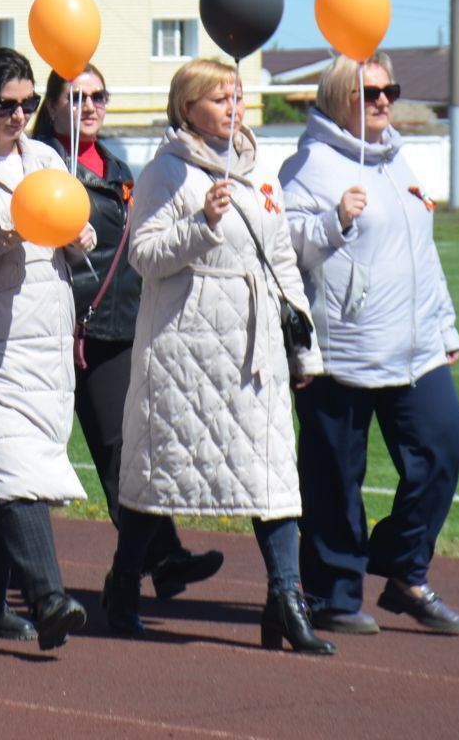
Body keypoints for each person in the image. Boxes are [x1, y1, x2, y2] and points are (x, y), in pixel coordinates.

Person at [103, 59, 332, 655]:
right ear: (188, 109)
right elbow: (146, 256)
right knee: (161, 474)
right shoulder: (166, 172)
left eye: (237, 96)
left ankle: (286, 598)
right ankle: (123, 586)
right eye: (218, 98)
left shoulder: (261, 174)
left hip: (255, 349)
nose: (233, 107)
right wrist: (203, 223)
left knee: (273, 475)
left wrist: (305, 348)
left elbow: (280, 262)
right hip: (185, 346)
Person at [280, 54, 459, 637]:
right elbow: (284, 250)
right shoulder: (308, 165)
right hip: (341, 350)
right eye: (371, 93)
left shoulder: (398, 159)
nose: (384, 101)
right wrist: (334, 220)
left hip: (414, 345)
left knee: (444, 443)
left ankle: (404, 567)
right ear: (340, 98)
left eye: (390, 91)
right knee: (336, 475)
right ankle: (334, 591)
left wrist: (445, 326)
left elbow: (422, 252)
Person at [32, 65, 222, 605]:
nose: (88, 106)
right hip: (56, 328)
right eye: (75, 97)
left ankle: (162, 557)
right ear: (51, 106)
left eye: (97, 96)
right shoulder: (43, 163)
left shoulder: (119, 168)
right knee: (47, 455)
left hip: (113, 328)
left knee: (127, 450)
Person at [0, 48, 89, 650]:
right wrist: (15, 227)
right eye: (7, 104)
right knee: (15, 467)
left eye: (29, 104)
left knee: (19, 468)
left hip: (48, 336)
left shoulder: (48, 157)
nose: (19, 115)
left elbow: (71, 236)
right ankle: (47, 597)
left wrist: (80, 234)